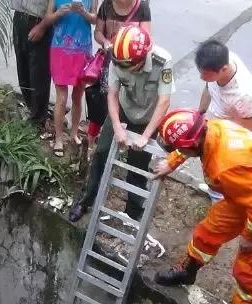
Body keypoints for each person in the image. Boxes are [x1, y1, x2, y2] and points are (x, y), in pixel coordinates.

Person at [151, 109, 252, 304]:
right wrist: (171, 162)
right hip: (244, 193)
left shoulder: (226, 164)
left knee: (249, 266)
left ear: (192, 144)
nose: (180, 152)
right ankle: (187, 271)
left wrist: (249, 236)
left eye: (181, 149)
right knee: (207, 233)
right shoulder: (208, 130)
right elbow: (188, 144)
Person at [69, 25, 174, 223]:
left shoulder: (163, 62)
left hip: (147, 119)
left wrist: (145, 135)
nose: (121, 69)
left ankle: (133, 212)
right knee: (101, 153)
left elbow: (164, 101)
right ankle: (86, 200)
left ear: (140, 60)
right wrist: (117, 126)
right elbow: (113, 94)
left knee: (138, 163)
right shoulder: (117, 57)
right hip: (123, 110)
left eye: (127, 66)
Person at [82, 0, 151, 166]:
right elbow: (98, 31)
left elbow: (146, 37)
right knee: (102, 100)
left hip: (134, 65)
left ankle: (118, 145)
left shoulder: (142, 7)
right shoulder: (106, 5)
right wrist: (106, 42)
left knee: (125, 103)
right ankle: (91, 144)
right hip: (111, 60)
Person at [194, 39, 252, 203]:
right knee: (207, 163)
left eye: (205, 74)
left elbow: (249, 135)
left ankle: (222, 202)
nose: (201, 77)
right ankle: (213, 190)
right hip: (213, 126)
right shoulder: (221, 61)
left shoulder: (244, 95)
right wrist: (199, 114)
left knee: (222, 172)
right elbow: (209, 88)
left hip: (229, 138)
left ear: (223, 69)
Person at [42, 0, 98, 157]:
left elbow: (96, 20)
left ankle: (74, 133)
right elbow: (47, 19)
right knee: (61, 98)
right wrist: (59, 13)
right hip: (60, 47)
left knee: (77, 96)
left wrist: (84, 13)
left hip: (82, 49)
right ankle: (58, 138)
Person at [11, 0, 53, 135]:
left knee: (38, 74)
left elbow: (56, 5)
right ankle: (33, 111)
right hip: (19, 17)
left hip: (37, 21)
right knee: (22, 71)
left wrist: (42, 27)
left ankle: (38, 120)